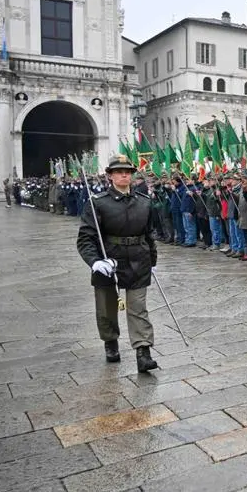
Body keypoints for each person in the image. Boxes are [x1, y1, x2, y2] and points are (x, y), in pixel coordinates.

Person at [76, 155, 159, 373]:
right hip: (109, 259)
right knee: (107, 308)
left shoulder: (144, 201)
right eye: (119, 171)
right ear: (110, 175)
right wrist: (95, 262)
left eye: (128, 171)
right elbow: (86, 237)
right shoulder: (97, 203)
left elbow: (149, 233)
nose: (124, 175)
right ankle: (110, 341)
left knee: (138, 308)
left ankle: (143, 351)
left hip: (138, 259)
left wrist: (153, 258)